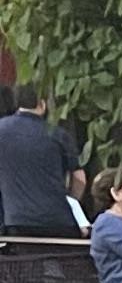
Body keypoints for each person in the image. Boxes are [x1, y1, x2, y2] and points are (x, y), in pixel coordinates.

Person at [0, 87, 85, 237]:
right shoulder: (57, 134)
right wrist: (71, 200)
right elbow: (80, 179)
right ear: (43, 104)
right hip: (58, 220)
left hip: (15, 219)